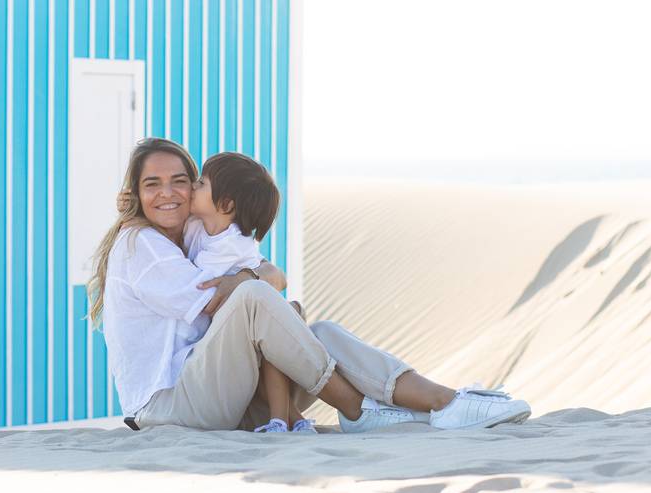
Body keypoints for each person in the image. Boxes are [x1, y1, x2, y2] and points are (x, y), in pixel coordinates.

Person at [88, 137, 532, 434]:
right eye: (152, 184)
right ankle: (356, 409)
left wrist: (255, 279)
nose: (168, 193)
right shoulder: (140, 243)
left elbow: (271, 274)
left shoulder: (191, 235)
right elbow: (224, 299)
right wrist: (254, 282)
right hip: (167, 409)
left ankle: (443, 401)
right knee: (261, 302)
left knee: (322, 334)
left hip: (221, 392)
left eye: (181, 181)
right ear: (135, 193)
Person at [180, 151, 318, 433]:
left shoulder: (235, 246)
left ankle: (280, 420)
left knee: (272, 359)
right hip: (236, 329)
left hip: (251, 325)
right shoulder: (197, 225)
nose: (193, 185)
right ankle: (296, 420)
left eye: (202, 183)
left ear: (226, 204)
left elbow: (208, 289)